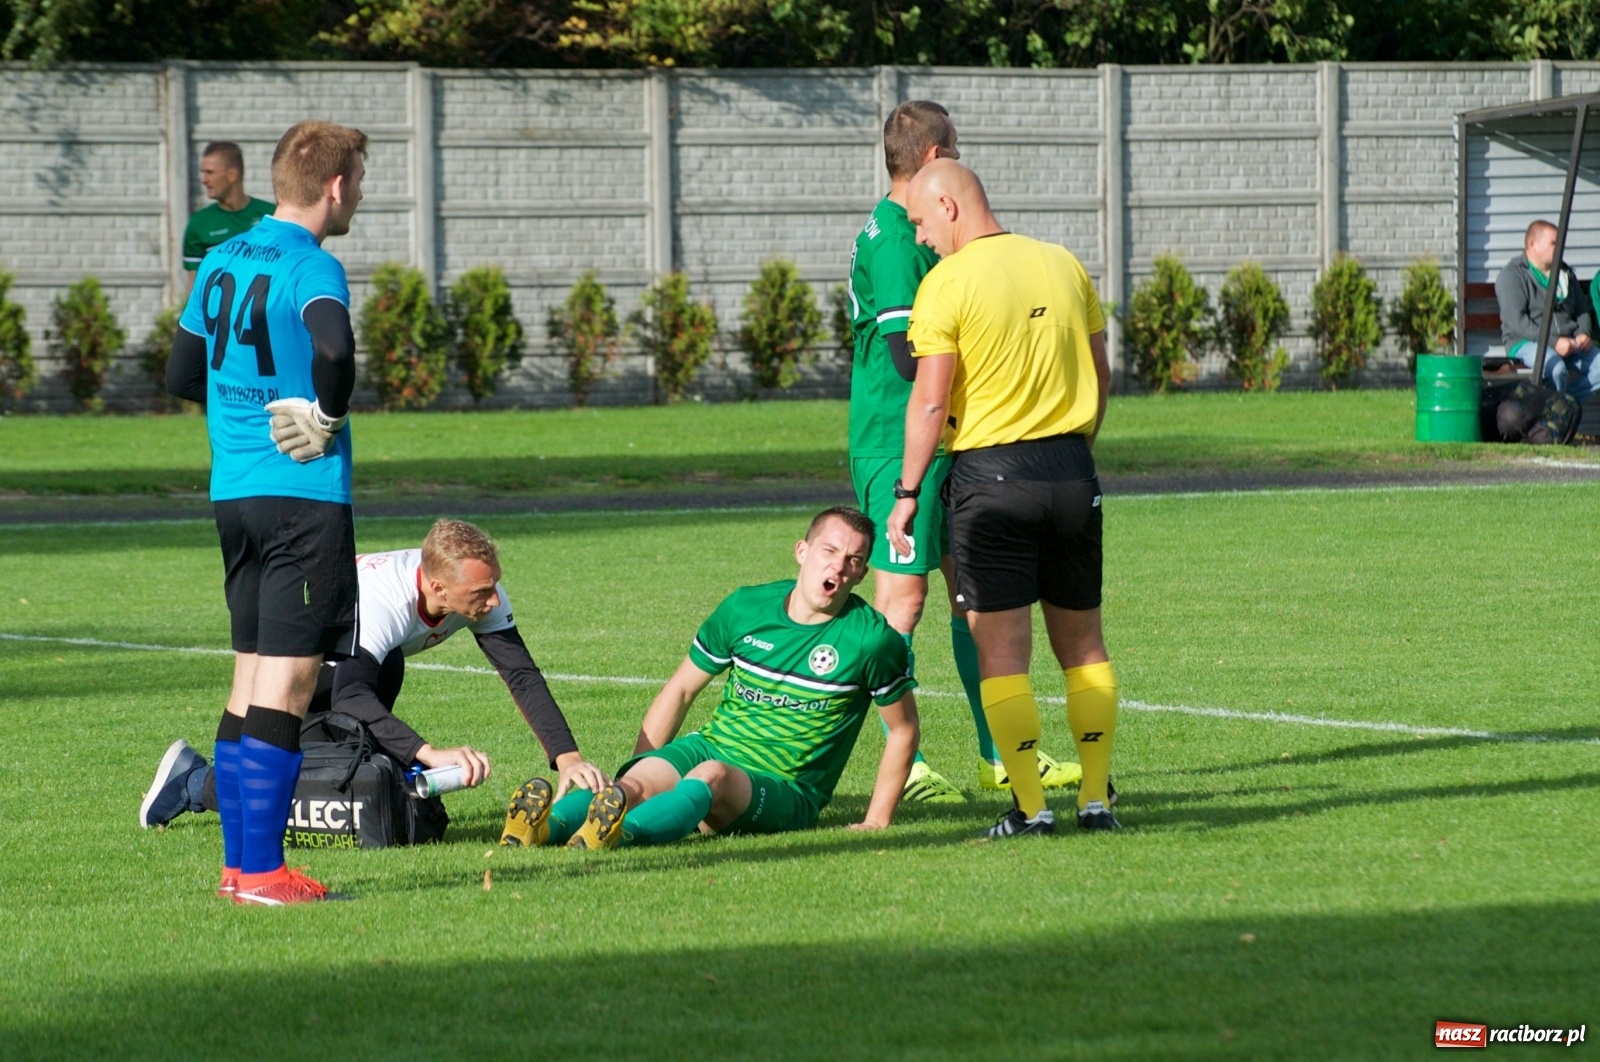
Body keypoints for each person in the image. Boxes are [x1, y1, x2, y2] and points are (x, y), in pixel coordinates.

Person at [847, 100, 1080, 804]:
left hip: (950, 438)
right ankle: (904, 764)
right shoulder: (895, 236)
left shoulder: (919, 232)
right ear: (931, 157)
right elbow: (905, 355)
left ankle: (1001, 757)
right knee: (901, 601)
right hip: (898, 442)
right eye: (957, 146)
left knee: (972, 600)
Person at [163, 120, 368, 905]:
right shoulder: (312, 262)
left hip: (234, 494)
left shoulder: (222, 255)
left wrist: (244, 408)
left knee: (248, 678)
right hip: (301, 499)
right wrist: (327, 412)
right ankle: (263, 874)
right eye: (359, 182)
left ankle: (236, 866)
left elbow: (183, 372)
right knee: (288, 685)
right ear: (336, 185)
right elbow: (336, 348)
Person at [887, 159, 1120, 838]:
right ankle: (1097, 800)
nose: (922, 237)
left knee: (1002, 655)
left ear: (949, 207)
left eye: (922, 222)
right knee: (1085, 647)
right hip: (1073, 470)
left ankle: (1030, 808)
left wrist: (906, 493)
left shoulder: (946, 283)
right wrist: (1077, 448)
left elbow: (930, 400)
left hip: (990, 480)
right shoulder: (1064, 263)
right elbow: (1101, 375)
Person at [140, 519, 609, 830]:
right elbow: (349, 696)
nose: (493, 600)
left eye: (494, 585)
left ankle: (213, 779)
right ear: (438, 586)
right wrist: (428, 752)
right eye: (482, 591)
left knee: (364, 775)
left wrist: (566, 758)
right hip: (286, 669)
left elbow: (521, 674)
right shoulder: (383, 600)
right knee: (307, 788)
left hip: (348, 669)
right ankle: (191, 781)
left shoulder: (477, 592)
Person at [497, 506, 919, 851]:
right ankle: (542, 830)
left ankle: (621, 834)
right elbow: (681, 689)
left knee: (711, 775)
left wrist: (876, 820)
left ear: (863, 574)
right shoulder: (744, 609)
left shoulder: (872, 641)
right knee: (637, 784)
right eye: (830, 551)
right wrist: (638, 770)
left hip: (786, 788)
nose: (839, 567)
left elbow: (903, 731)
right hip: (713, 744)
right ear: (802, 551)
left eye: (854, 561)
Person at [1497, 219, 1600, 400]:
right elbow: (1518, 323)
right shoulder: (1512, 275)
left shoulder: (1564, 273)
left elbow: (1582, 310)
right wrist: (1553, 342)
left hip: (1569, 343)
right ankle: (1557, 415)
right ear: (1532, 244)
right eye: (1553, 243)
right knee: (1556, 369)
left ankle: (1563, 407)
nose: (1559, 248)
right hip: (1525, 342)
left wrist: (1583, 333)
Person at [180, 142, 275, 300]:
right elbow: (194, 281)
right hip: (220, 320)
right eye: (202, 172)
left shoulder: (271, 215)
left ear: (232, 175)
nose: (203, 180)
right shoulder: (198, 224)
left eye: (210, 172)